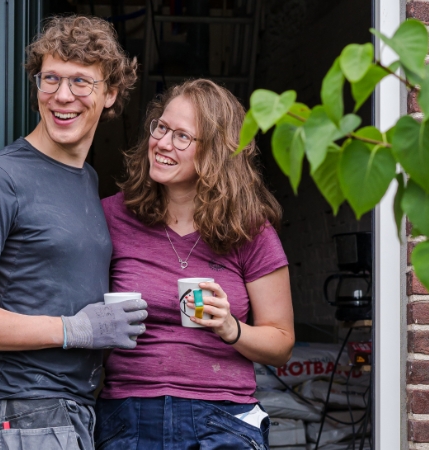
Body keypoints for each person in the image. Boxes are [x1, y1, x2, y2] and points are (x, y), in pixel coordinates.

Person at [0, 15, 147, 450]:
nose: (62, 96)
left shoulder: (86, 179)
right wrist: (73, 330)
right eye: (50, 78)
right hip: (18, 408)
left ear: (110, 94)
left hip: (70, 410)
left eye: (81, 82)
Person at [95, 79, 295, 450]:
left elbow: (281, 344)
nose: (163, 143)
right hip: (130, 416)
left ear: (216, 152)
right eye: (161, 127)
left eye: (182, 136)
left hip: (223, 418)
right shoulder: (111, 217)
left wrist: (230, 326)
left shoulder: (250, 231)